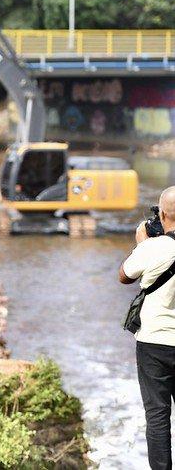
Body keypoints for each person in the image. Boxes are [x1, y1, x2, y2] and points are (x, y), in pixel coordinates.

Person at [120, 187, 175, 470]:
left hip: (154, 342)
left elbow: (124, 275)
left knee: (157, 415)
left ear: (163, 214)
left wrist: (142, 243)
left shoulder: (153, 248)